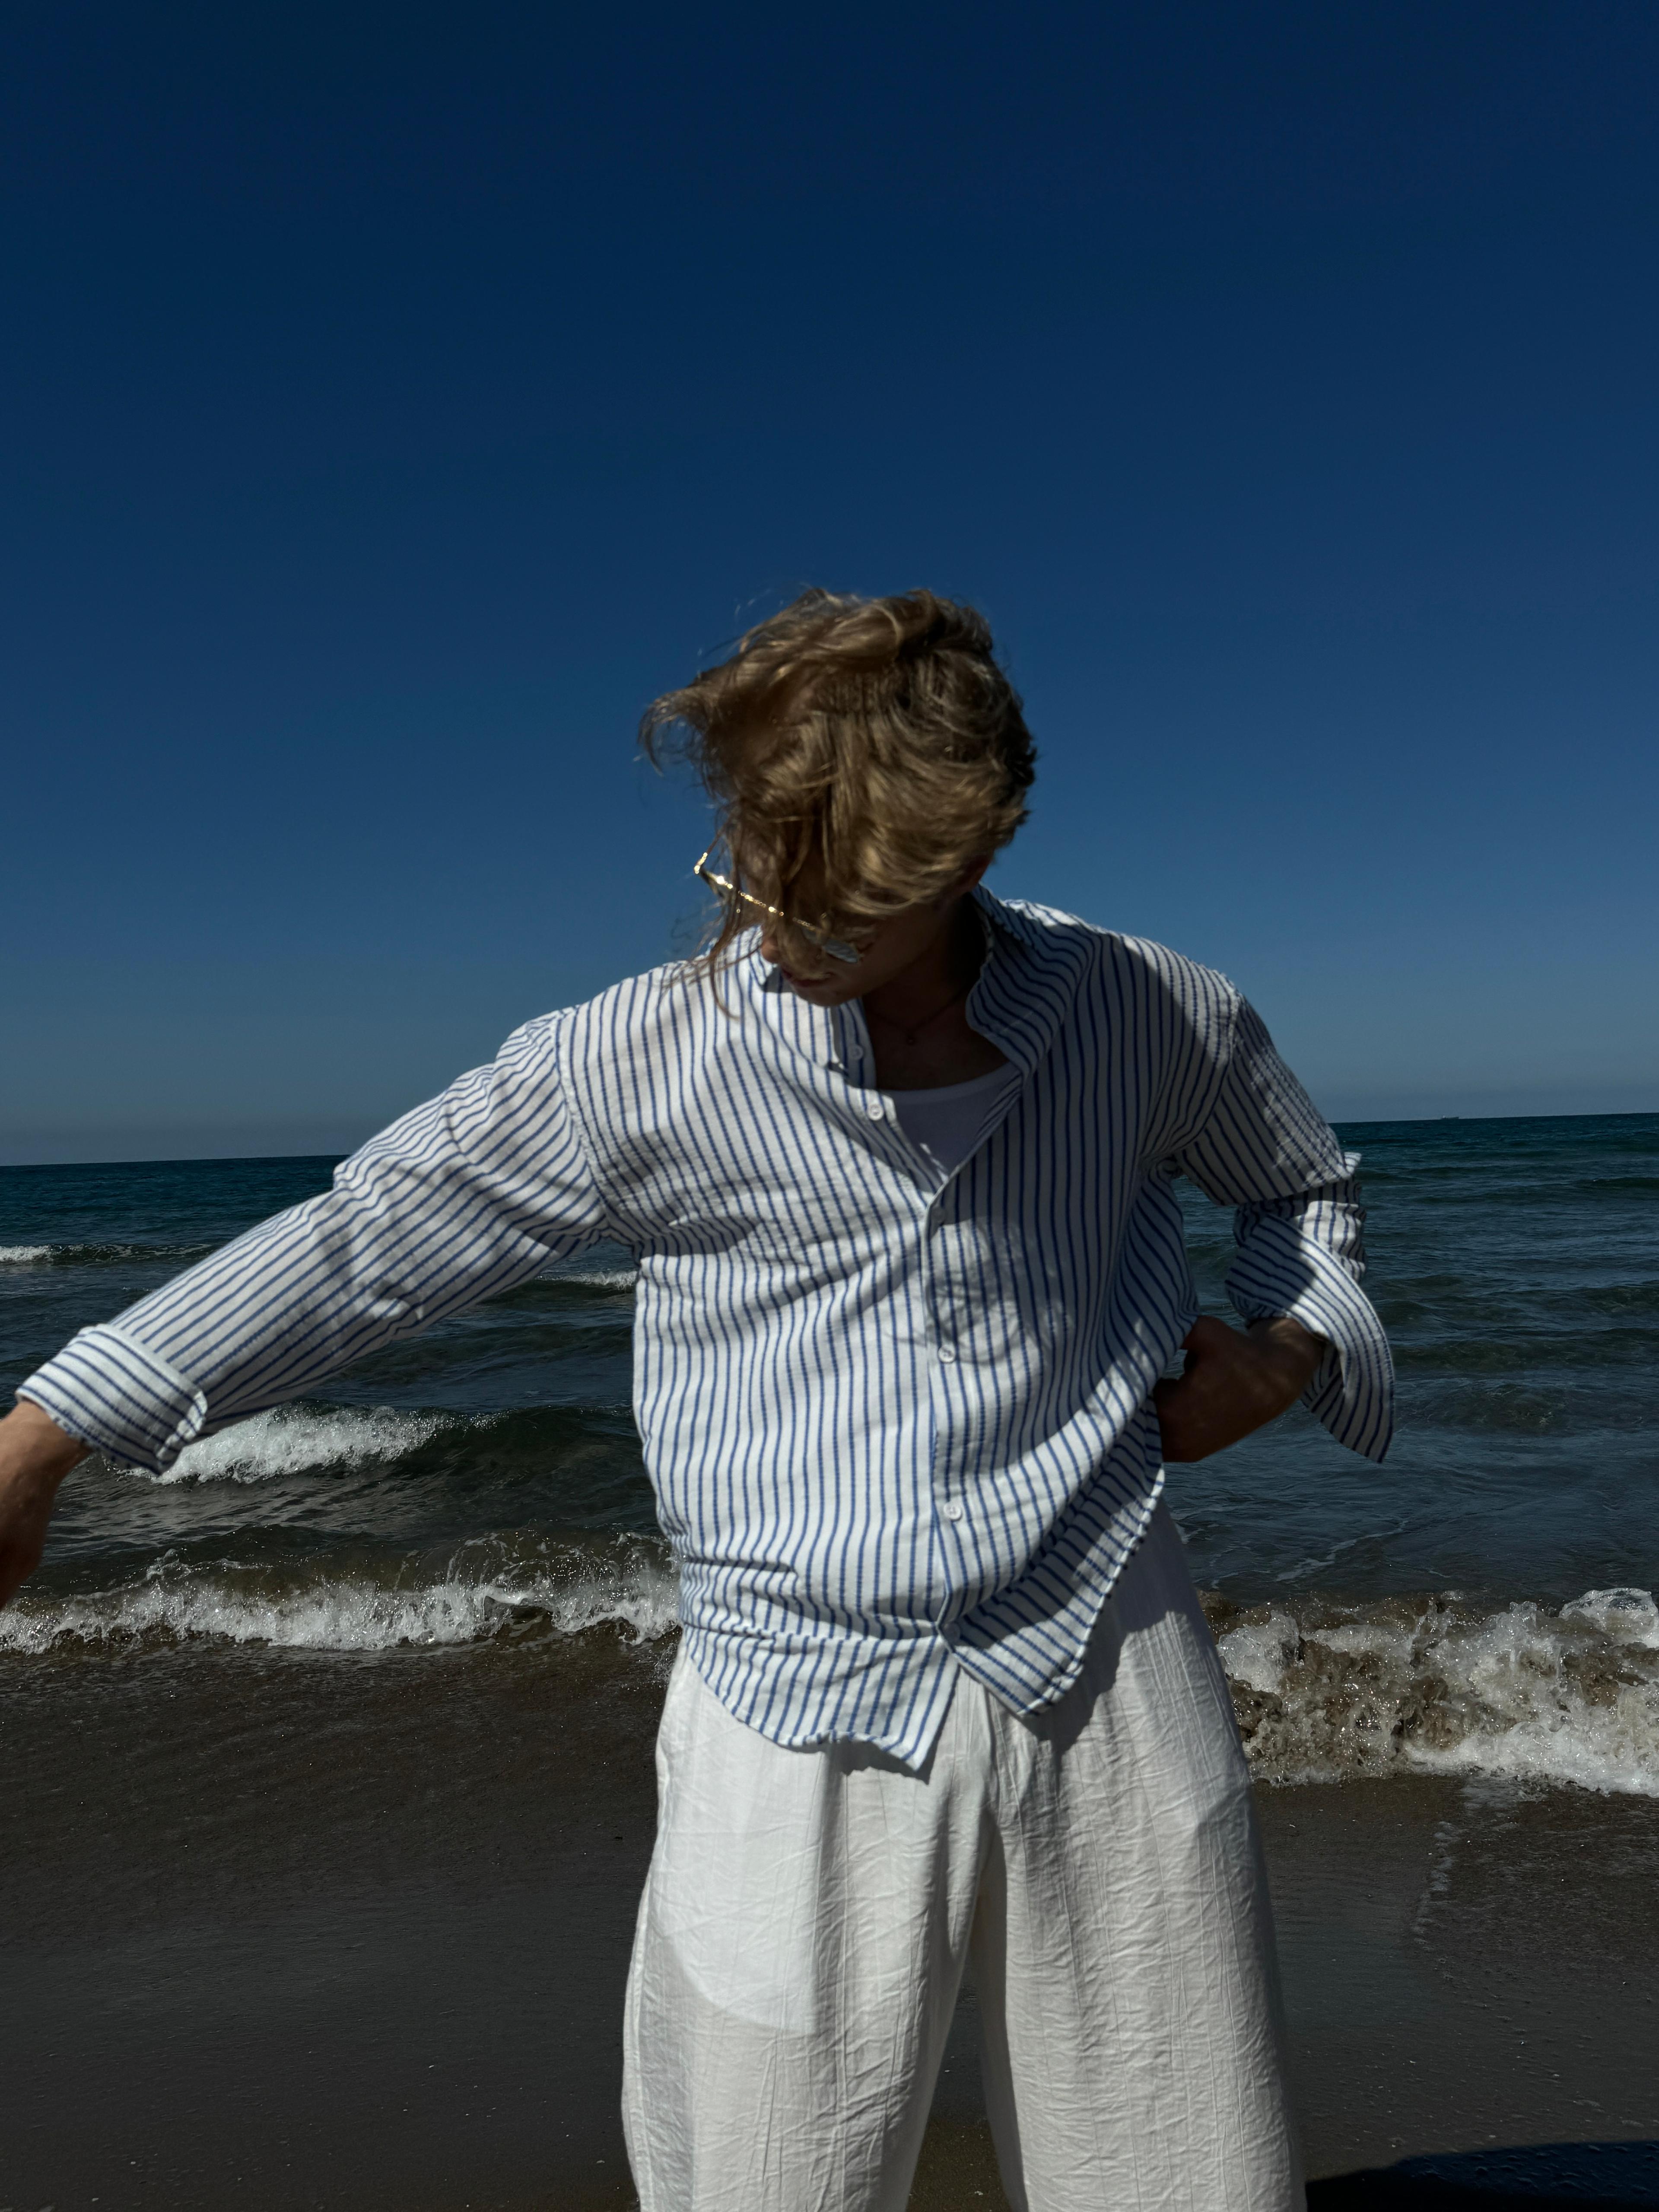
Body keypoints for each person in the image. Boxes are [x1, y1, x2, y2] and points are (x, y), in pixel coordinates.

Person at [0, 589, 1392, 2212]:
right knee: (765, 2181)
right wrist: (42, 1437)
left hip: (1113, 1651)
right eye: (753, 881)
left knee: (1186, 2175)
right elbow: (361, 1246)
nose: (784, 940)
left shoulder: (1150, 1010)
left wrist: (1286, 1353)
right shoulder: (630, 1062)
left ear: (976, 856)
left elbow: (1309, 1190)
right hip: (789, 1706)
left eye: (848, 915)